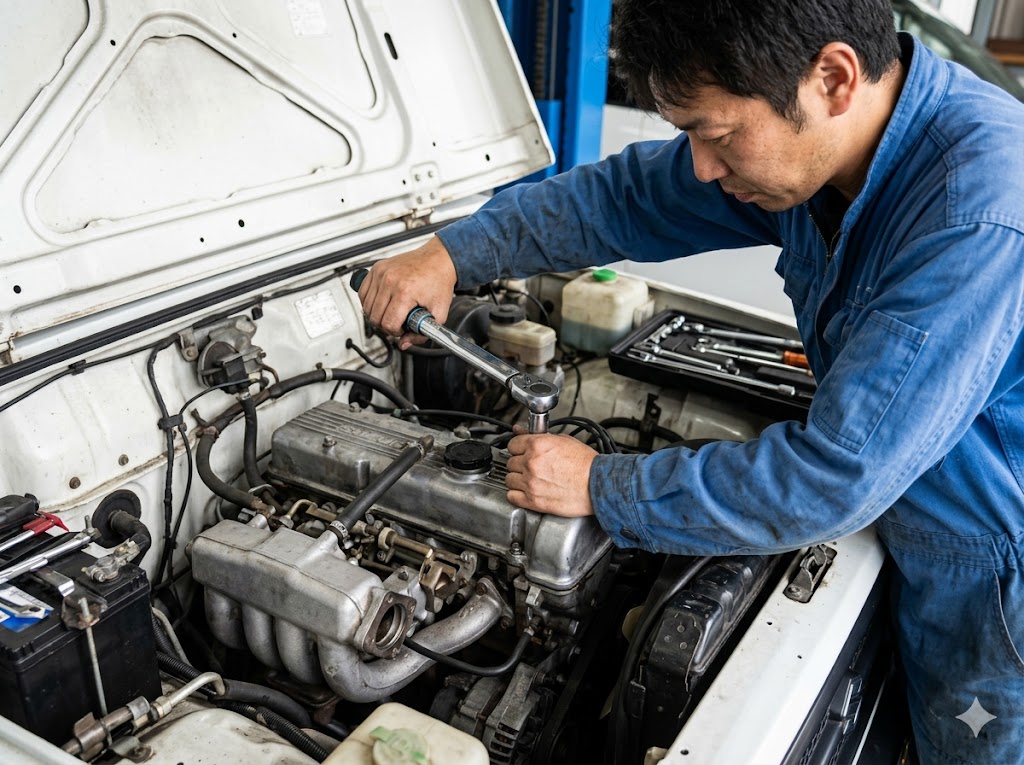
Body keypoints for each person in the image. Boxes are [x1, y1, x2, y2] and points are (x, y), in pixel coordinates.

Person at [356, 1, 1024, 761]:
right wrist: (452, 253)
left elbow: (835, 476)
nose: (703, 167)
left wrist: (605, 487)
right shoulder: (822, 150)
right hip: (924, 533)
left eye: (717, 135)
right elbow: (625, 198)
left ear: (833, 79)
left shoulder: (975, 214)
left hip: (995, 588)